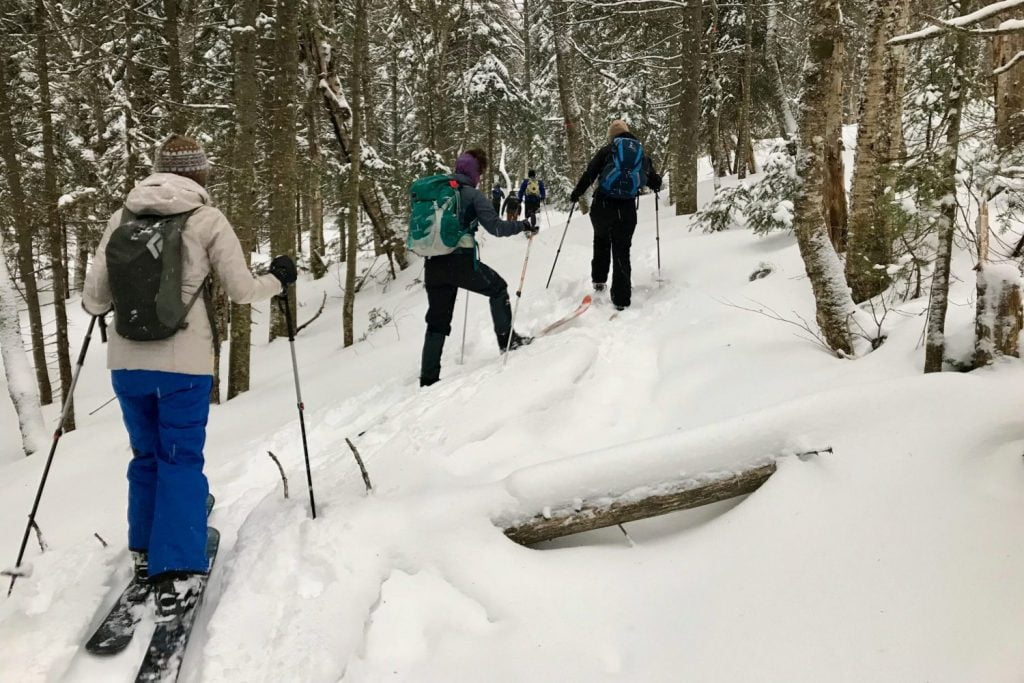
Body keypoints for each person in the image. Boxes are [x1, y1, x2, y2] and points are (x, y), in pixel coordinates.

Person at [83, 134, 296, 616]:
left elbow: (94, 300)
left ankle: (144, 549)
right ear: (200, 174)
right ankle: (175, 569)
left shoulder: (122, 218)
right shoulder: (206, 219)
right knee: (179, 457)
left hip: (127, 362)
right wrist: (279, 278)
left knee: (146, 456)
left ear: (159, 170)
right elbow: (241, 291)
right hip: (185, 365)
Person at [420, 148, 538, 387]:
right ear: (475, 172)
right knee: (498, 288)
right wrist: (524, 224)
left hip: (433, 264)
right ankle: (508, 342)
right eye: (480, 172)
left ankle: (428, 380)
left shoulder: (438, 192)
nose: (481, 177)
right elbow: (496, 228)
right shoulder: (472, 195)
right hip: (460, 262)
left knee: (437, 321)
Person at [570, 120, 661, 311]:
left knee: (601, 241)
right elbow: (654, 180)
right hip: (626, 209)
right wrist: (655, 184)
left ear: (612, 136)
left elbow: (590, 173)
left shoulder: (608, 150)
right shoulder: (640, 153)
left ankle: (599, 281)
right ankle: (621, 299)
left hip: (602, 205)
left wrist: (577, 193)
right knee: (622, 250)